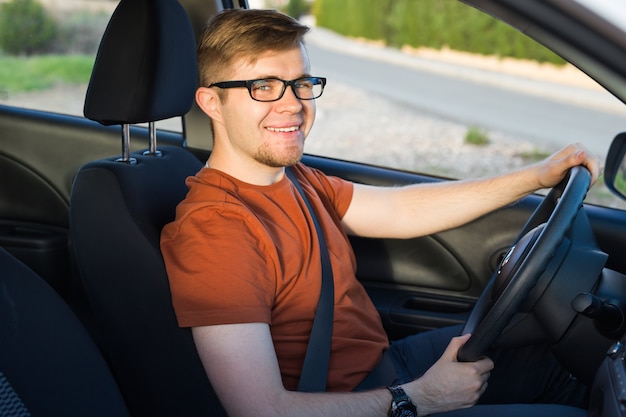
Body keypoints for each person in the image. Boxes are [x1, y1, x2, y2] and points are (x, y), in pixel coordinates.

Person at [160, 8, 601, 417]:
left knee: (563, 357)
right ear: (211, 102)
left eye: (301, 83)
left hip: (387, 368)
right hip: (363, 401)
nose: (293, 103)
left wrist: (537, 176)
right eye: (264, 87)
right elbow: (261, 410)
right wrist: (422, 396)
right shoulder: (215, 230)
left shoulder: (295, 179)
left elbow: (399, 209)